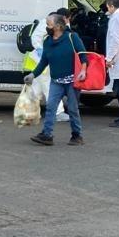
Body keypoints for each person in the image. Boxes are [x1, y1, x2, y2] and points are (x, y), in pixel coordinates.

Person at [24, 13, 85, 146]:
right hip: (56, 81)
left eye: (49, 24)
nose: (47, 27)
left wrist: (83, 70)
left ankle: (77, 135)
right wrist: (33, 75)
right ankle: (47, 135)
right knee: (51, 107)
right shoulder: (48, 41)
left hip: (71, 81)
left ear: (58, 26)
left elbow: (83, 55)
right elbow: (43, 62)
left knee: (73, 109)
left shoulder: (72, 37)